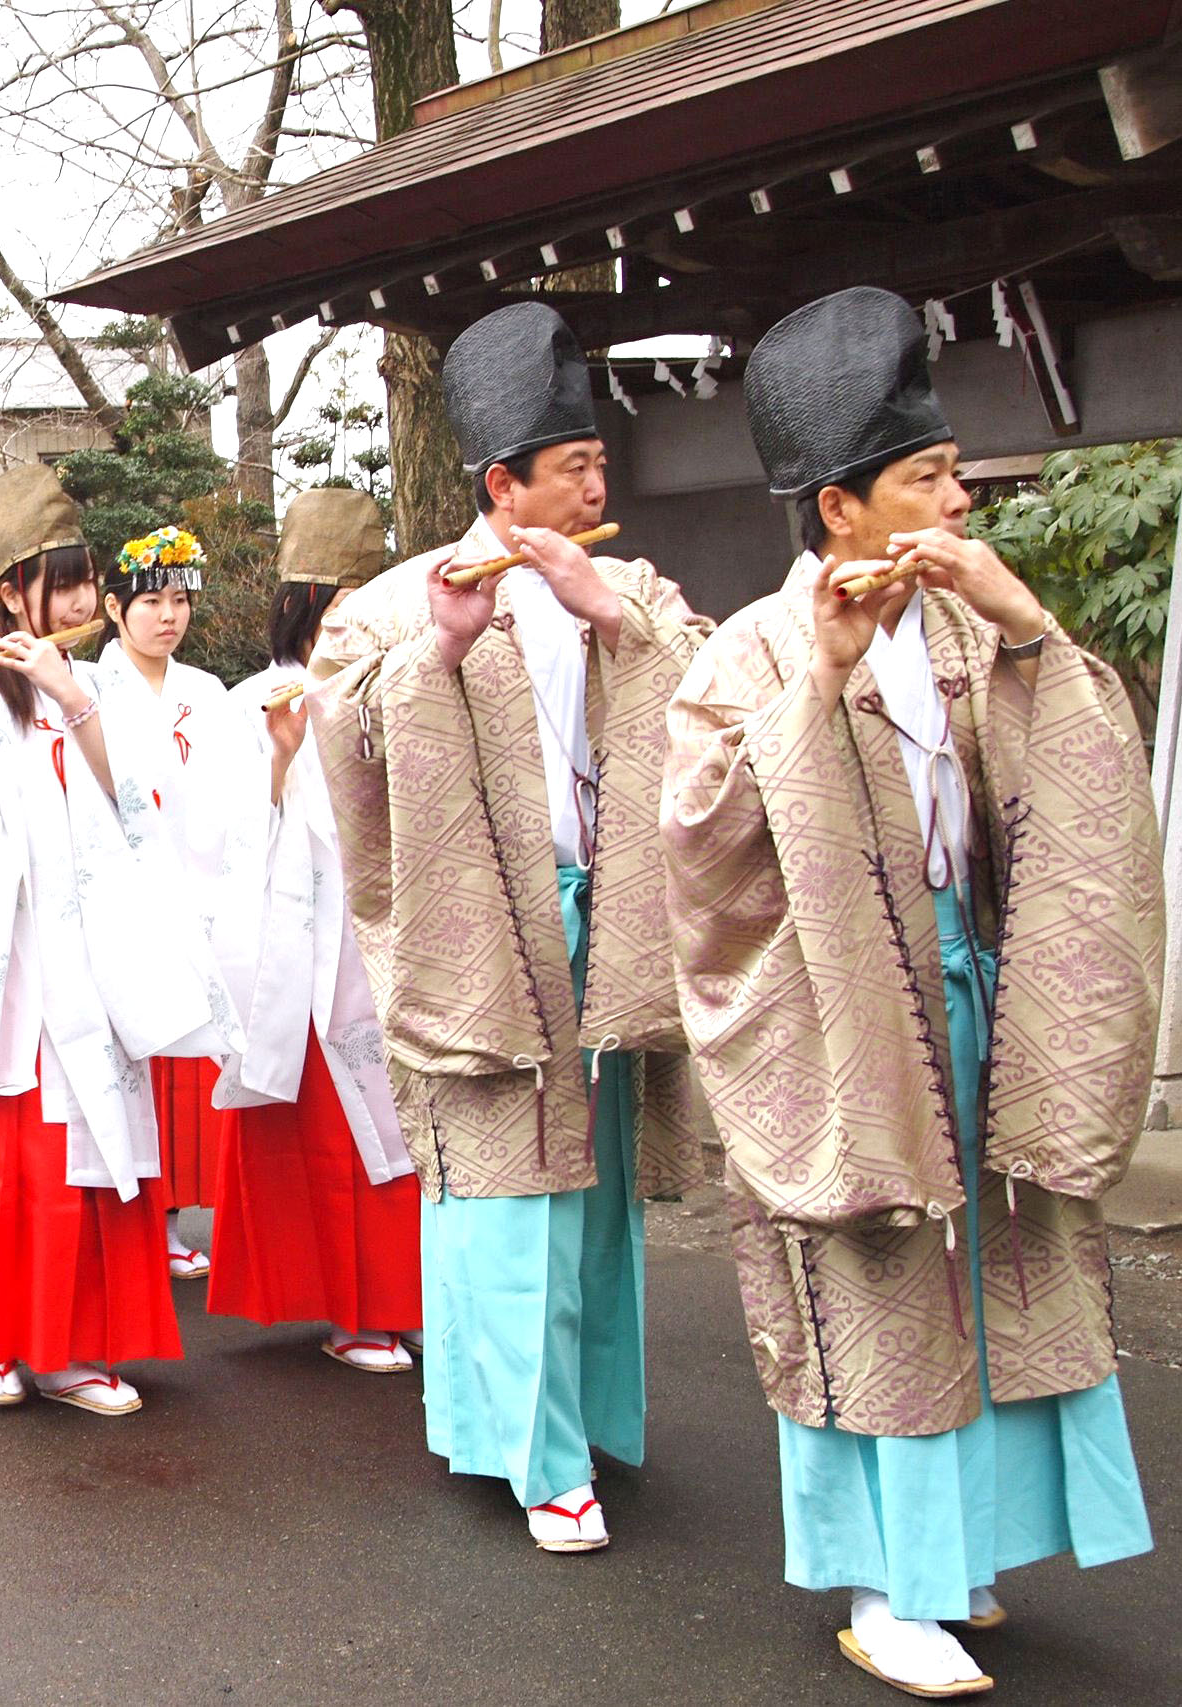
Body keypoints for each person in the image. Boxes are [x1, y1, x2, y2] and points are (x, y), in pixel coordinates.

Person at [664, 286, 1157, 1698]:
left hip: (969, 997)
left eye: (947, 469)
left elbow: (1067, 806)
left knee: (987, 1282)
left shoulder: (953, 627)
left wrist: (1026, 639)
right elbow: (700, 855)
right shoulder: (742, 650)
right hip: (837, 1025)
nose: (953, 493)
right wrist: (809, 692)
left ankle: (963, 1551)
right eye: (922, 476)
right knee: (872, 1284)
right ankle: (881, 1582)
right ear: (837, 507)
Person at [311, 301, 708, 1551]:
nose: (601, 483)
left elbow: (704, 686)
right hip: (484, 941)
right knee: (504, 1205)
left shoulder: (628, 583)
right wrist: (437, 650)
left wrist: (615, 620)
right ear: (502, 483)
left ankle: (582, 1424)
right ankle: (533, 1460)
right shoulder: (387, 605)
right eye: (576, 467)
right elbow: (340, 749)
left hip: (609, 925)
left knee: (596, 1201)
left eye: (599, 463)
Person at [0, 464, 239, 1416]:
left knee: (86, 1165)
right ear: (8, 594)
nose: (80, 599)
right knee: (7, 1164)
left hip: (90, 960)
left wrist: (73, 702)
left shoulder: (93, 687)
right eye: (59, 580)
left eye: (85, 581)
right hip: (6, 972)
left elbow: (138, 817)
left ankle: (78, 1344)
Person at [209, 487, 420, 1373]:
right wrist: (283, 758)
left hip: (389, 927)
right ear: (300, 607)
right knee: (329, 1130)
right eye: (334, 606)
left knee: (404, 1121)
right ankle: (348, 1308)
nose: (346, 625)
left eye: (363, 604)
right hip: (300, 935)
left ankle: (405, 1297)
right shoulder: (255, 699)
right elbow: (220, 834)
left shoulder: (404, 683)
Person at [88, 523, 267, 1281]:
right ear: (112, 606)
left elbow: (231, 795)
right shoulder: (89, 689)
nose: (167, 616)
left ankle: (172, 1214)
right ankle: (142, 1218)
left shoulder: (206, 692)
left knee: (187, 1068)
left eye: (178, 600)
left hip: (196, 890)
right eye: (150, 601)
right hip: (126, 898)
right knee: (136, 1061)